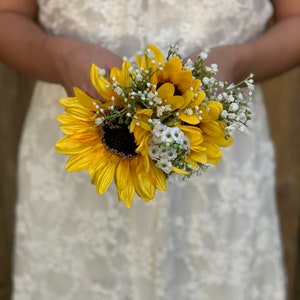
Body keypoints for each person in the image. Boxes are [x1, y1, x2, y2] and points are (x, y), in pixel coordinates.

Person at [0, 0, 299, 299]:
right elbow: (8, 16)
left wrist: (237, 62)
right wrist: (58, 57)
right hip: (80, 158)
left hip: (214, 164)